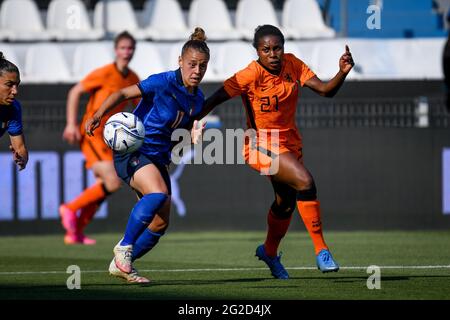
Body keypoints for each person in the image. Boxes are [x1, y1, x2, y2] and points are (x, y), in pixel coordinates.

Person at [197, 25, 354, 279]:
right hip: (259, 145)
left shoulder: (293, 65)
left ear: (283, 47)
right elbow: (214, 99)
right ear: (257, 51)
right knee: (305, 182)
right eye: (266, 49)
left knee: (285, 203)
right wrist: (188, 120)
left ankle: (269, 251)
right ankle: (321, 250)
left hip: (290, 145)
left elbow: (326, 91)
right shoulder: (250, 74)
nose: (273, 54)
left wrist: (342, 72)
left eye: (277, 48)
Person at [84, 27, 209, 283]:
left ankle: (122, 265)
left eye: (203, 66)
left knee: (160, 224)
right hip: (134, 150)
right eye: (192, 64)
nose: (197, 71)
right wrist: (98, 115)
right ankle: (124, 248)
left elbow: (178, 137)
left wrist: (191, 138)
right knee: (157, 193)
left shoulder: (198, 100)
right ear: (180, 62)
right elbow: (121, 93)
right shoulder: (162, 82)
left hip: (158, 158)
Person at [60, 31, 140, 245]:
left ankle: (75, 232)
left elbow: (141, 107)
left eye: (130, 48)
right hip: (92, 133)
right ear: (116, 50)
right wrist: (70, 123)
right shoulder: (104, 73)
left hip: (111, 139)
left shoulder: (132, 78)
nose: (126, 52)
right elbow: (75, 92)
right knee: (112, 181)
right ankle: (70, 208)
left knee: (103, 187)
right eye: (123, 47)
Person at [0, 52, 28, 171]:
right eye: (9, 85)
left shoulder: (13, 108)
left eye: (17, 85)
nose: (15, 91)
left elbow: (20, 147)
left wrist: (21, 159)